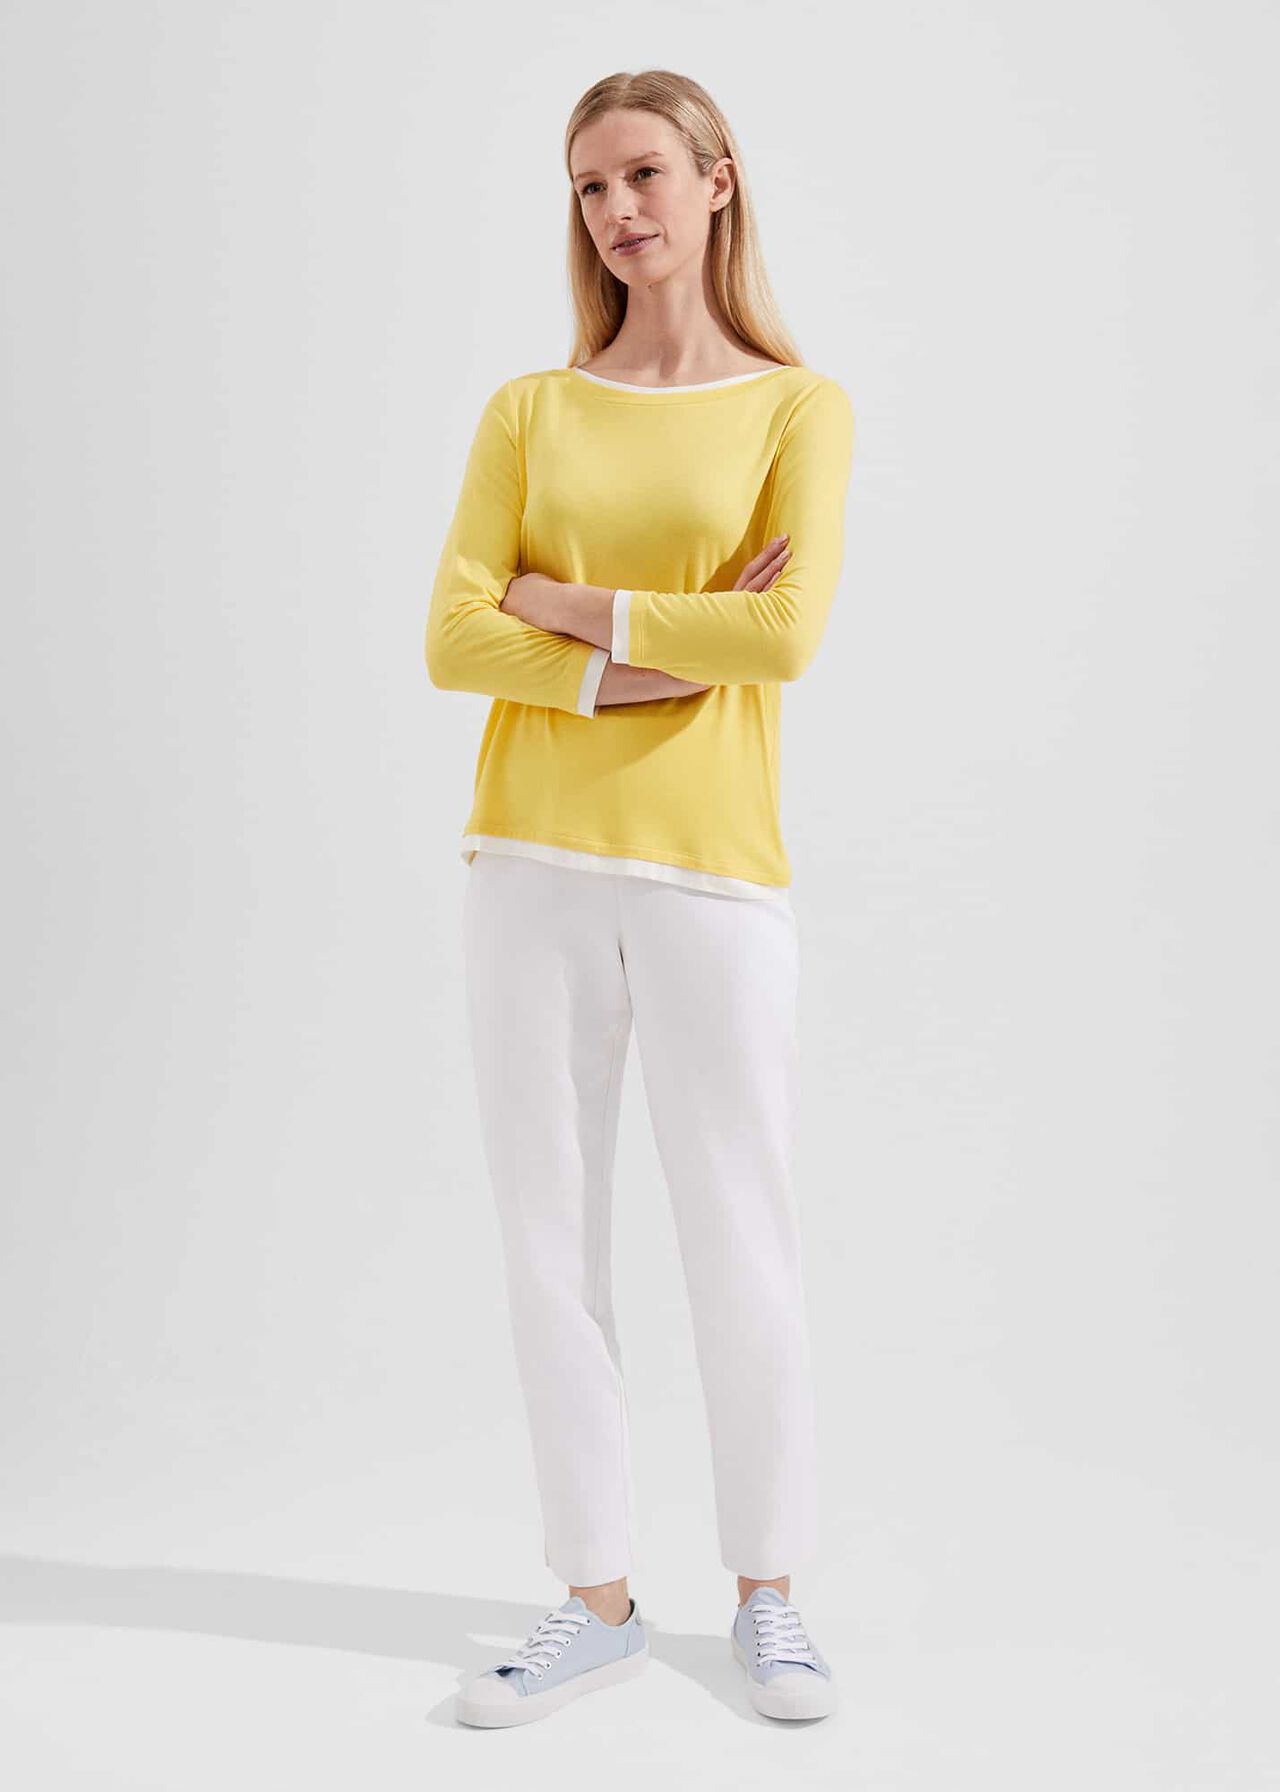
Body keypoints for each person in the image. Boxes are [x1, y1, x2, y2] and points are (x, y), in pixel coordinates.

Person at [426, 68, 854, 1728]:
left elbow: (784, 636)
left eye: (645, 174)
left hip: (712, 871)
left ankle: (769, 1595)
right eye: (591, 186)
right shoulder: (531, 409)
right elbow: (453, 635)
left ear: (718, 179)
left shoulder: (795, 409)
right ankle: (594, 1598)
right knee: (549, 1238)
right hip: (526, 862)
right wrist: (650, 656)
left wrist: (567, 604)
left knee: (740, 1225)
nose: (617, 210)